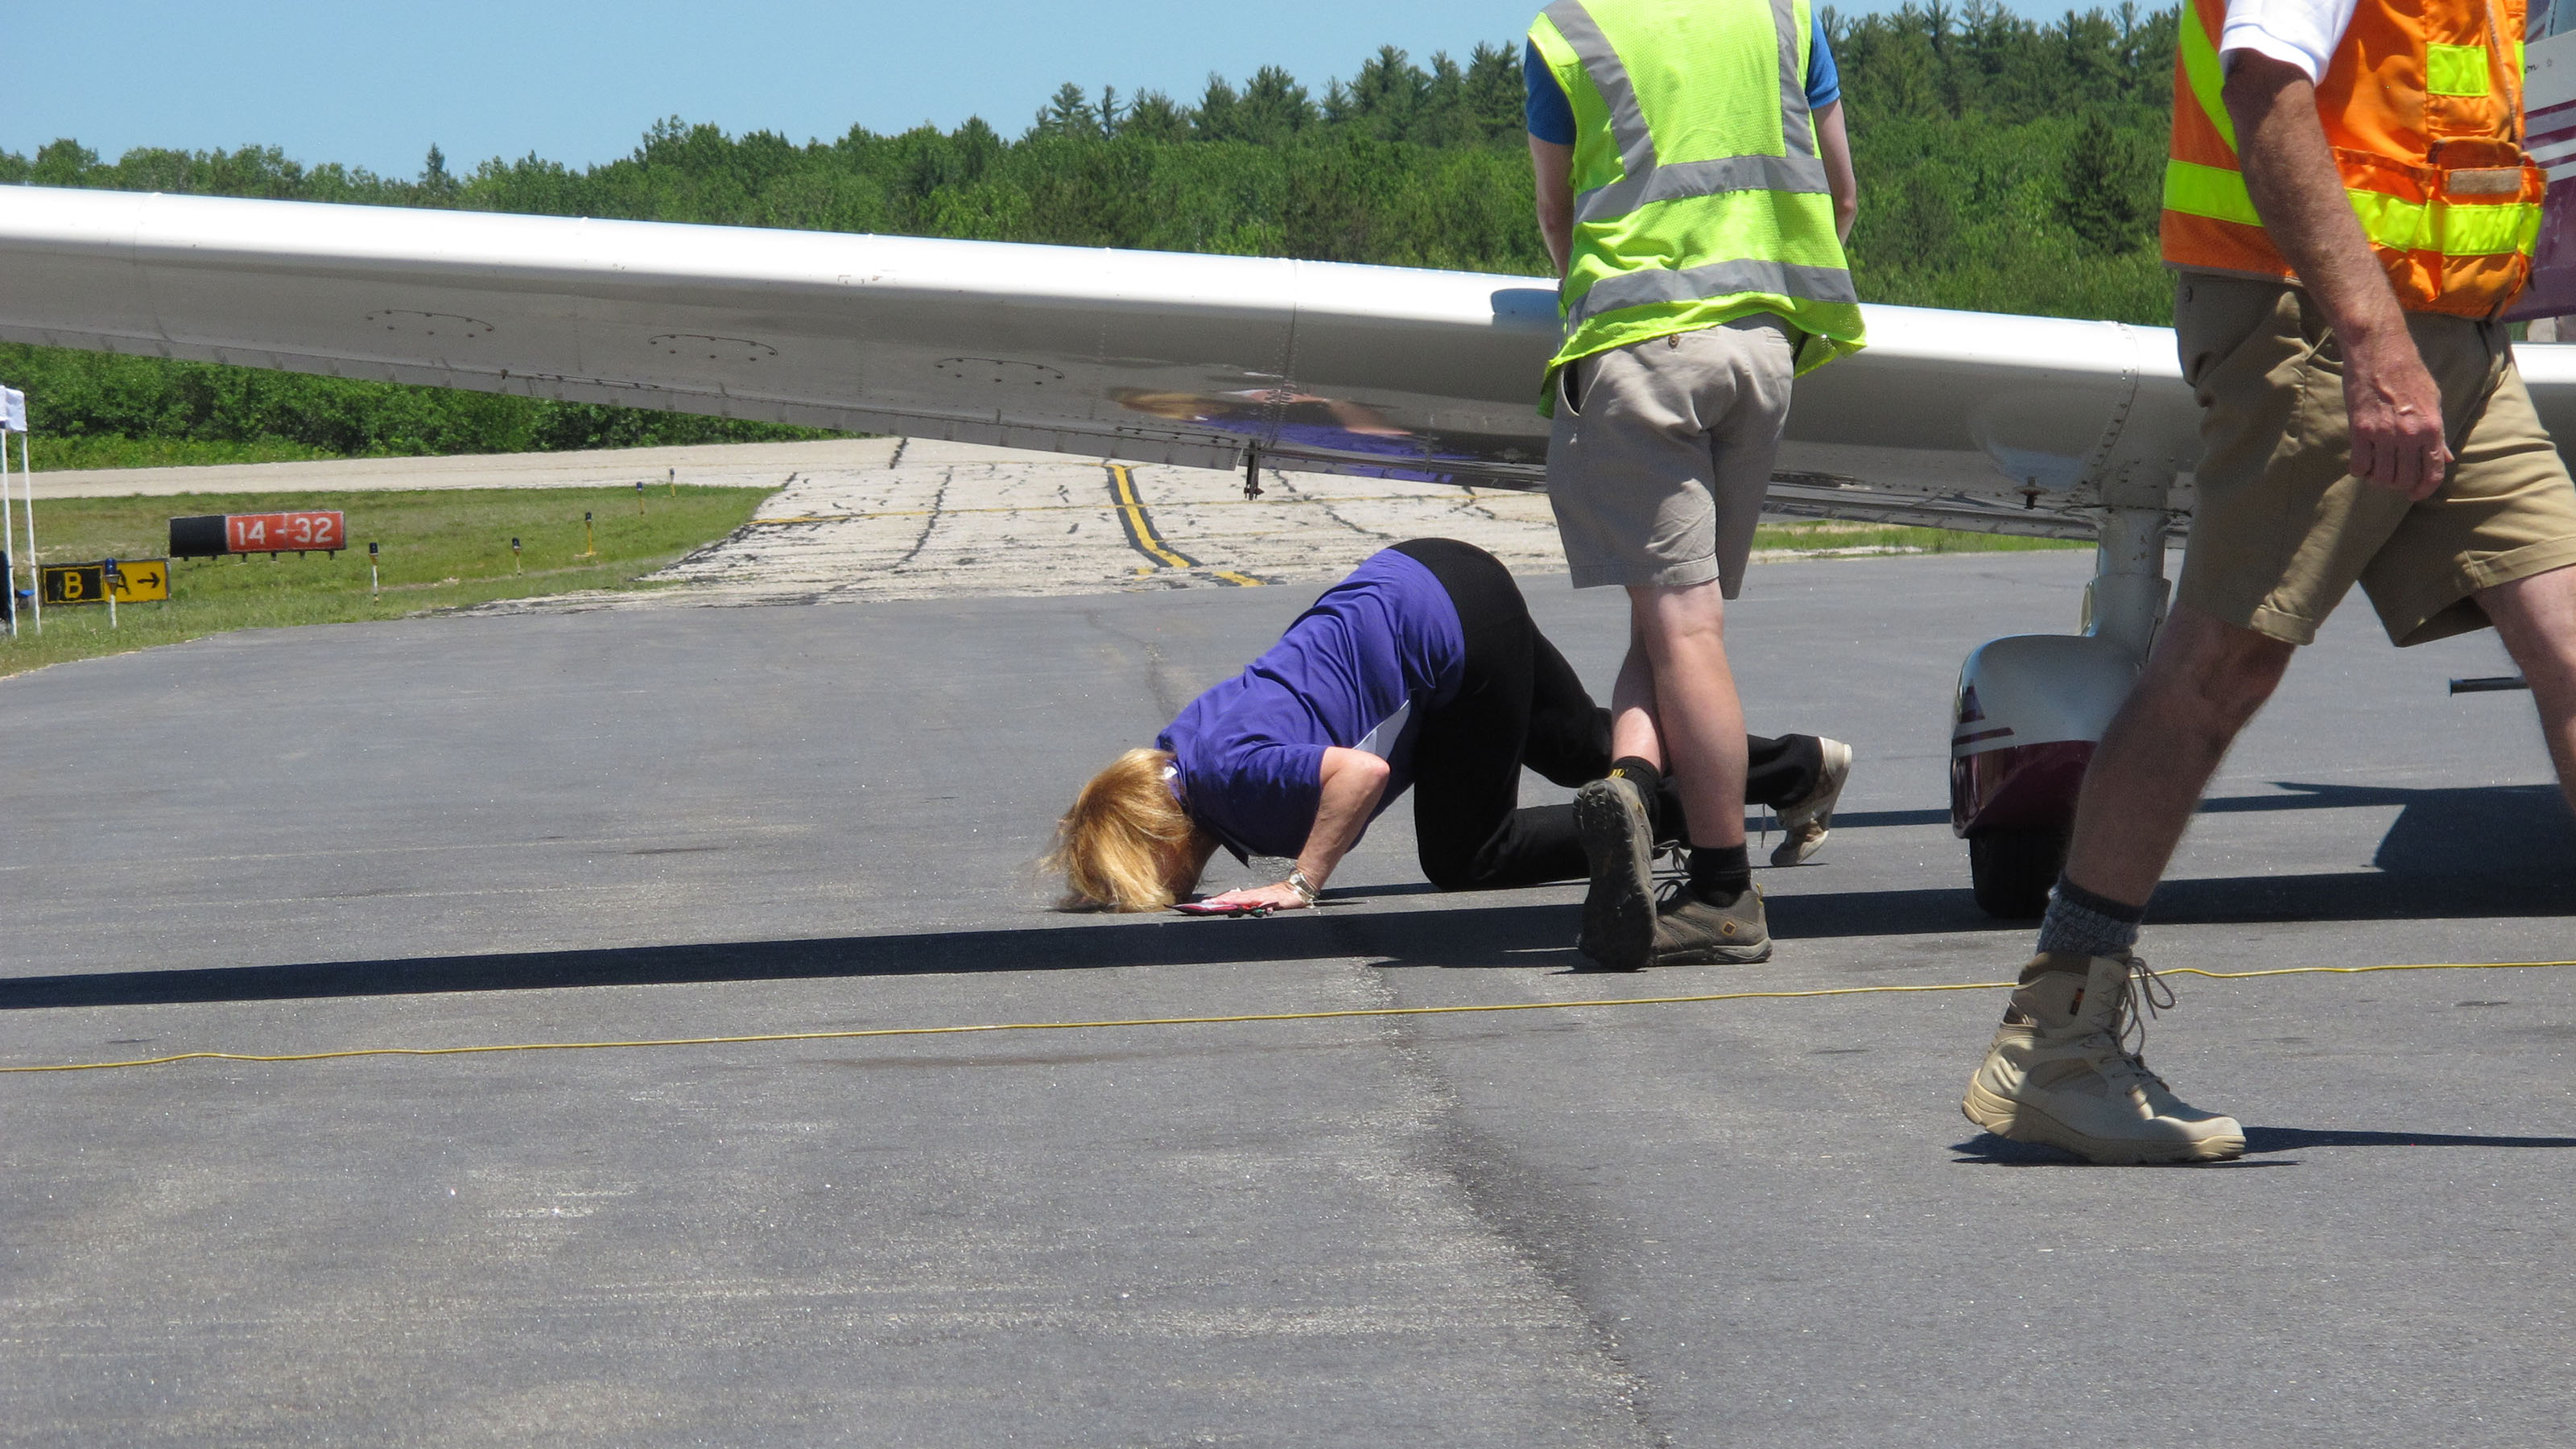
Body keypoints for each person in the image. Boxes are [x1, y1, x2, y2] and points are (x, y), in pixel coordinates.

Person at [1962, 0, 2576, 1163]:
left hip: (2455, 329)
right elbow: (2264, 87)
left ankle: (2063, 1036)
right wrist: (2370, 337)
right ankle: (2060, 1038)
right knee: (2223, 664)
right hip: (2319, 319)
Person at [1524, 0, 1866, 968]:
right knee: (1665, 619)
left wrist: (1592, 302)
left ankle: (1720, 888)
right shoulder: (1782, 16)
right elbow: (1840, 195)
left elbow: (1557, 213)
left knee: (1683, 630)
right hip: (1760, 351)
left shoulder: (1568, 31)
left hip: (1641, 349)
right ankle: (1631, 787)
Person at [1048, 538, 1852, 927]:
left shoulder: (1222, 782)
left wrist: (1300, 879)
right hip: (1441, 576)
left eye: (1136, 880)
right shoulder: (1181, 748)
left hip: (1449, 634)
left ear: (1153, 839)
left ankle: (1669, 818)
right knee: (1580, 746)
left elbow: (1354, 778)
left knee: (1466, 855)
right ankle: (1799, 770)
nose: (1157, 892)